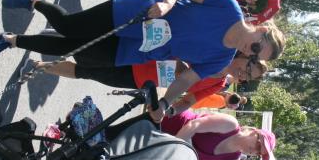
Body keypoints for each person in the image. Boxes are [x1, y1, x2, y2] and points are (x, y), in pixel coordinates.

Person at [0, 0, 285, 122]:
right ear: (260, 28)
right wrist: (167, 2)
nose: (252, 51)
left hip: (140, 49)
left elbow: (187, 81)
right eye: (258, 45)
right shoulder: (228, 7)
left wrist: (166, 103)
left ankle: (9, 41)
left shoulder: (222, 59)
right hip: (142, 13)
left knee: (71, 48)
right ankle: (35, 0)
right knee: (71, 27)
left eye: (257, 55)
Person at [24, 54, 266, 115]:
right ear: (246, 57)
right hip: (141, 54)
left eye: (247, 78)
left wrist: (170, 110)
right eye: (248, 69)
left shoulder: (219, 84)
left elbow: (190, 100)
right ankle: (57, 32)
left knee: (86, 71)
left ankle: (39, 66)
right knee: (90, 54)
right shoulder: (219, 52)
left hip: (143, 79)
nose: (243, 76)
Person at [160, 110, 276, 160]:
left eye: (259, 153)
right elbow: (193, 126)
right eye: (259, 145)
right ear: (254, 132)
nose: (255, 151)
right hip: (166, 123)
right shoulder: (230, 124)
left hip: (167, 149)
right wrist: (170, 153)